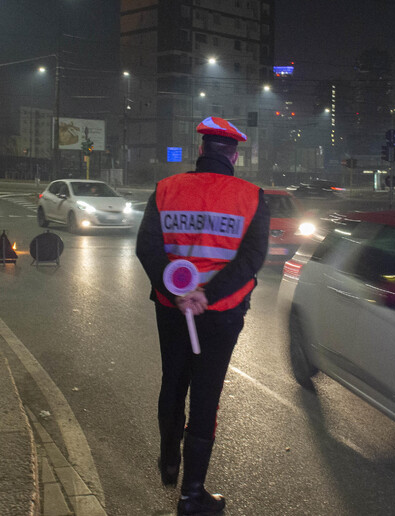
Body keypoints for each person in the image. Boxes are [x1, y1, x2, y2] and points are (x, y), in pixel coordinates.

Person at [136, 116, 270, 516]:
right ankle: (192, 495)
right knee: (206, 395)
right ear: (233, 154)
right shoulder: (252, 196)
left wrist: (177, 291)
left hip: (171, 307)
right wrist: (206, 295)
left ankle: (168, 460)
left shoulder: (166, 189)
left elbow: (147, 247)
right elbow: (251, 259)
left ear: (201, 150)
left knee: (173, 379)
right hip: (221, 313)